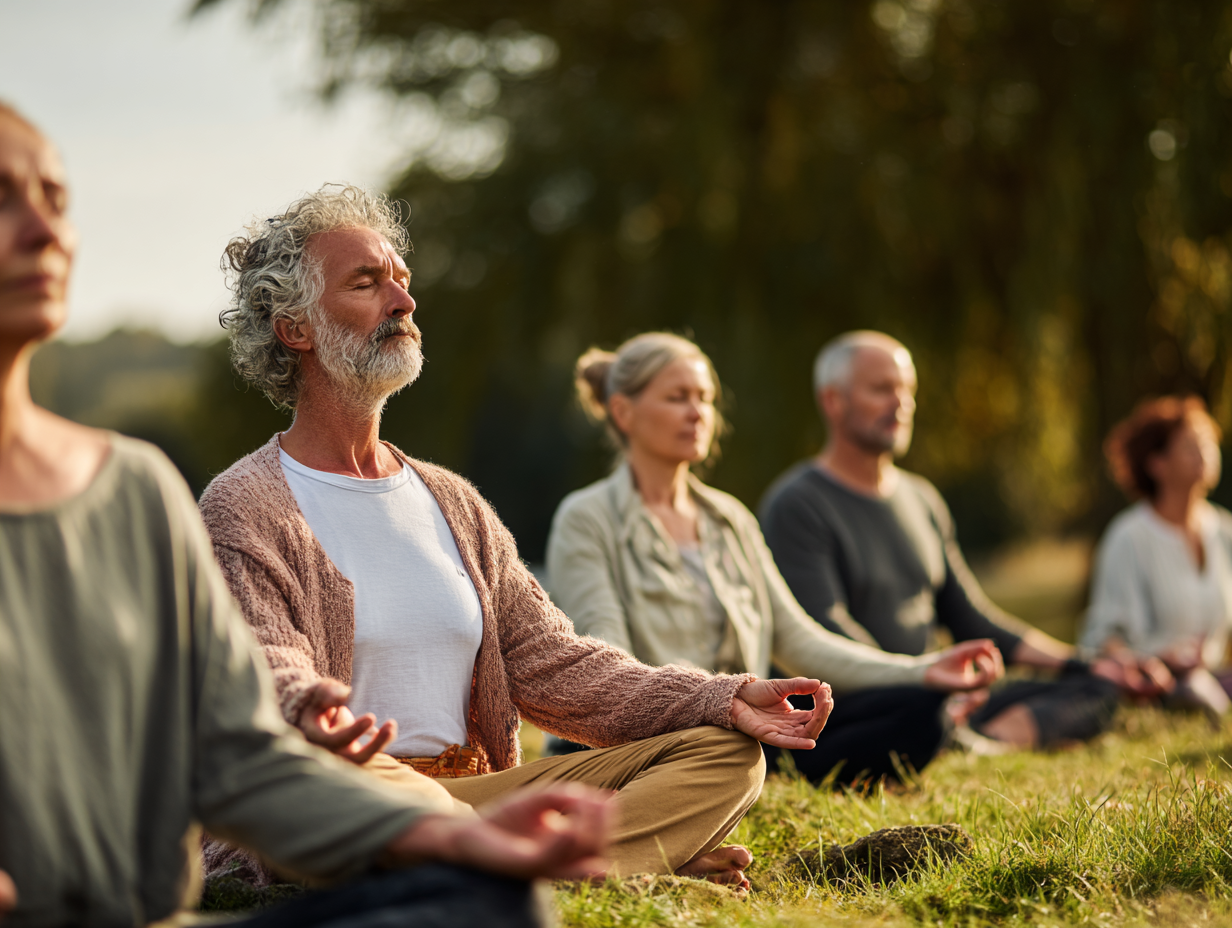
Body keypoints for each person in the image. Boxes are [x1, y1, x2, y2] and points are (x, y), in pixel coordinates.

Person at [0, 101, 611, 928]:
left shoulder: (135, 489)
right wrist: (319, 713)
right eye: (4, 199)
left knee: (490, 902)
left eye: (57, 199)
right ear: (295, 329)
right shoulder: (241, 501)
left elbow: (240, 758)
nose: (45, 231)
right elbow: (275, 670)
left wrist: (456, 842)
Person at [198, 185, 835, 896]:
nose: (403, 303)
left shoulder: (453, 502)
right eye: (367, 284)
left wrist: (721, 697)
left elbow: (556, 665)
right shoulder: (245, 504)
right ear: (295, 329)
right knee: (331, 790)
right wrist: (307, 704)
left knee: (727, 755)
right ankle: (596, 866)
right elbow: (260, 664)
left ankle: (510, 868)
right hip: (350, 790)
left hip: (477, 796)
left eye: (402, 282)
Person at [545, 332, 1005, 787]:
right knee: (714, 749)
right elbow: (614, 674)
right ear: (624, 412)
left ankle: (757, 769)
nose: (697, 413)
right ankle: (735, 771)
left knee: (916, 709)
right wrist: (714, 707)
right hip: (645, 736)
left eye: (705, 398)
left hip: (743, 730)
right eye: (677, 397)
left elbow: (800, 640)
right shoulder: (586, 518)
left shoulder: (731, 519)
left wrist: (923, 670)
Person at [759, 331, 1161, 759]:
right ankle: (950, 730)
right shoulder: (797, 504)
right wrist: (922, 679)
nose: (902, 403)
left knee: (1097, 687)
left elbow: (970, 617)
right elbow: (824, 635)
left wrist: (1084, 662)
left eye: (907, 390)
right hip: (864, 700)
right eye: (882, 389)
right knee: (917, 712)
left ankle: (983, 742)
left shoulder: (922, 499)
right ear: (833, 401)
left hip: (935, 686)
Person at [1080, 396, 1232, 720]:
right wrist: (1159, 657)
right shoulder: (1128, 538)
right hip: (1153, 686)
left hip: (1216, 677)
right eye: (1191, 445)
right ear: (1157, 464)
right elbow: (1105, 641)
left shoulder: (1224, 531)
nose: (1205, 451)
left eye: (1208, 442)